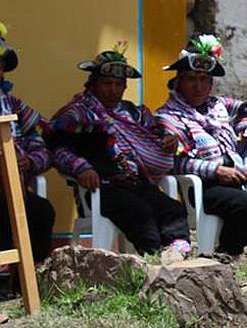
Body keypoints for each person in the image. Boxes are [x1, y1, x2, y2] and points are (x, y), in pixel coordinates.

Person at [156, 34, 247, 257]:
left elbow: (246, 146)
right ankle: (227, 257)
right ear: (179, 81)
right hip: (204, 188)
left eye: (204, 80)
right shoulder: (168, 117)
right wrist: (216, 171)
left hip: (239, 181)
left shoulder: (222, 109)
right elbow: (172, 163)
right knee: (245, 204)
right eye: (192, 79)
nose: (198, 86)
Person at [47, 44, 190, 258]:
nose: (113, 90)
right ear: (93, 84)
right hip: (100, 188)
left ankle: (176, 254)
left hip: (135, 182)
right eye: (107, 83)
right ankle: (154, 258)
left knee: (172, 209)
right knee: (140, 212)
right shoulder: (76, 114)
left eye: (119, 84)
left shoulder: (134, 113)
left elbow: (154, 138)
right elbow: (56, 147)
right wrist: (81, 168)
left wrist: (166, 141)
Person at [0, 21, 55, 264]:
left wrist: (28, 161)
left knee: (41, 211)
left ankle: (28, 279)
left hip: (13, 187)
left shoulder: (13, 105)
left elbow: (40, 143)